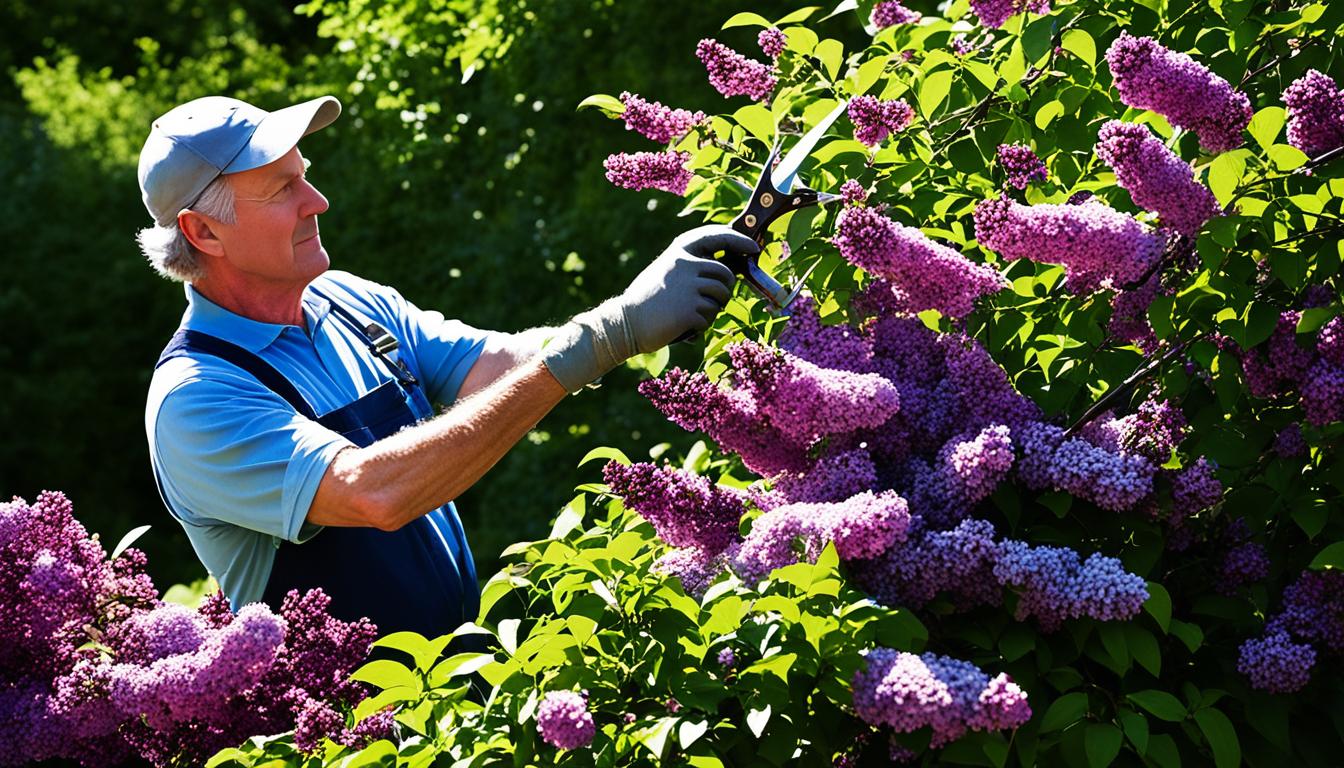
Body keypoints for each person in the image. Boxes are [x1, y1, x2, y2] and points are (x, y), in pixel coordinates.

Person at [139, 95, 758, 638]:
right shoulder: (198, 396)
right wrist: (608, 332)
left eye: (305, 176)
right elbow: (372, 492)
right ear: (203, 232)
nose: (318, 201)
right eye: (281, 189)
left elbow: (498, 364)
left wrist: (641, 307)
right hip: (351, 733)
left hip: (458, 691)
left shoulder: (352, 301)